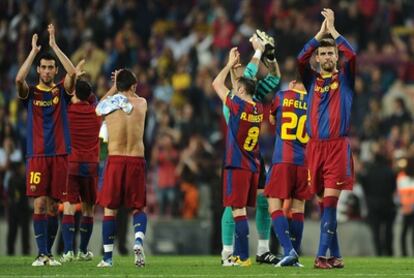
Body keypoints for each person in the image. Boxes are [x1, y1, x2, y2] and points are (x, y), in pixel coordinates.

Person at [297, 8, 356, 269]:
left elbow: (352, 54)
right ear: (318, 59)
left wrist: (332, 31)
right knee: (323, 206)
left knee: (330, 202)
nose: (327, 56)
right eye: (322, 53)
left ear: (336, 57)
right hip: (315, 149)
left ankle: (322, 257)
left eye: (331, 52)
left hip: (337, 148)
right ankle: (337, 256)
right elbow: (300, 59)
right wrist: (318, 35)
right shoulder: (311, 80)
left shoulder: (345, 79)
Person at [15, 24, 76, 266]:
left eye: (51, 68)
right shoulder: (30, 93)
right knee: (39, 202)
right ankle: (41, 254)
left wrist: (54, 46)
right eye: (44, 67)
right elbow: (19, 78)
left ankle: (48, 254)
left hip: (60, 154)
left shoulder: (61, 92)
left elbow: (72, 74)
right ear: (38, 70)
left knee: (53, 207)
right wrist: (33, 52)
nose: (48, 71)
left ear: (55, 70)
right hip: (38, 155)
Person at [220, 30, 281, 266]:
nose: (245, 72)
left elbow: (275, 78)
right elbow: (249, 73)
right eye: (239, 70)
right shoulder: (233, 100)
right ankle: (227, 251)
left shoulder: (251, 93)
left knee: (263, 200)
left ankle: (263, 249)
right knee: (233, 205)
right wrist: (257, 50)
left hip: (254, 157)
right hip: (236, 156)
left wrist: (271, 57)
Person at [212, 47, 263, 267]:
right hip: (252, 166)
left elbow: (216, 84)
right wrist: (236, 70)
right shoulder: (258, 108)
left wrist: (227, 66)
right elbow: (238, 89)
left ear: (241, 91)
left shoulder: (237, 105)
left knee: (238, 211)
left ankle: (241, 257)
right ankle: (240, 256)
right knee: (241, 211)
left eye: (237, 88)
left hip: (236, 165)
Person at [96, 69, 148, 268]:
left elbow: (97, 108)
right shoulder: (142, 103)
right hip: (136, 159)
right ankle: (138, 241)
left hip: (115, 159)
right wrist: (122, 83)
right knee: (138, 207)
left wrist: (113, 86)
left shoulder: (108, 105)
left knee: (110, 210)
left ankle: (107, 259)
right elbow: (132, 97)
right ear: (134, 85)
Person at [264, 76, 310, 267]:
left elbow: (272, 119)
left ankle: (288, 250)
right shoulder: (314, 103)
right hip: (304, 162)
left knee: (273, 205)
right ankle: (295, 253)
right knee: (298, 208)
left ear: (292, 83)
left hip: (283, 159)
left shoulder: (282, 96)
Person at [60, 62, 102, 262]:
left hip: (72, 163)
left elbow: (65, 92)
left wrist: (74, 75)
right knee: (88, 208)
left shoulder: (67, 112)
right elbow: (96, 99)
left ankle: (68, 250)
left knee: (69, 205)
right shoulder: (96, 114)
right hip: (91, 165)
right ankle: (83, 251)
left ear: (75, 94)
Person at [396, 157, 414, 256]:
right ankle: (404, 253)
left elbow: (399, 194)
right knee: (406, 233)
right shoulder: (401, 177)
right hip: (406, 209)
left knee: (405, 233)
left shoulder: (400, 177)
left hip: (406, 209)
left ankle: (404, 254)